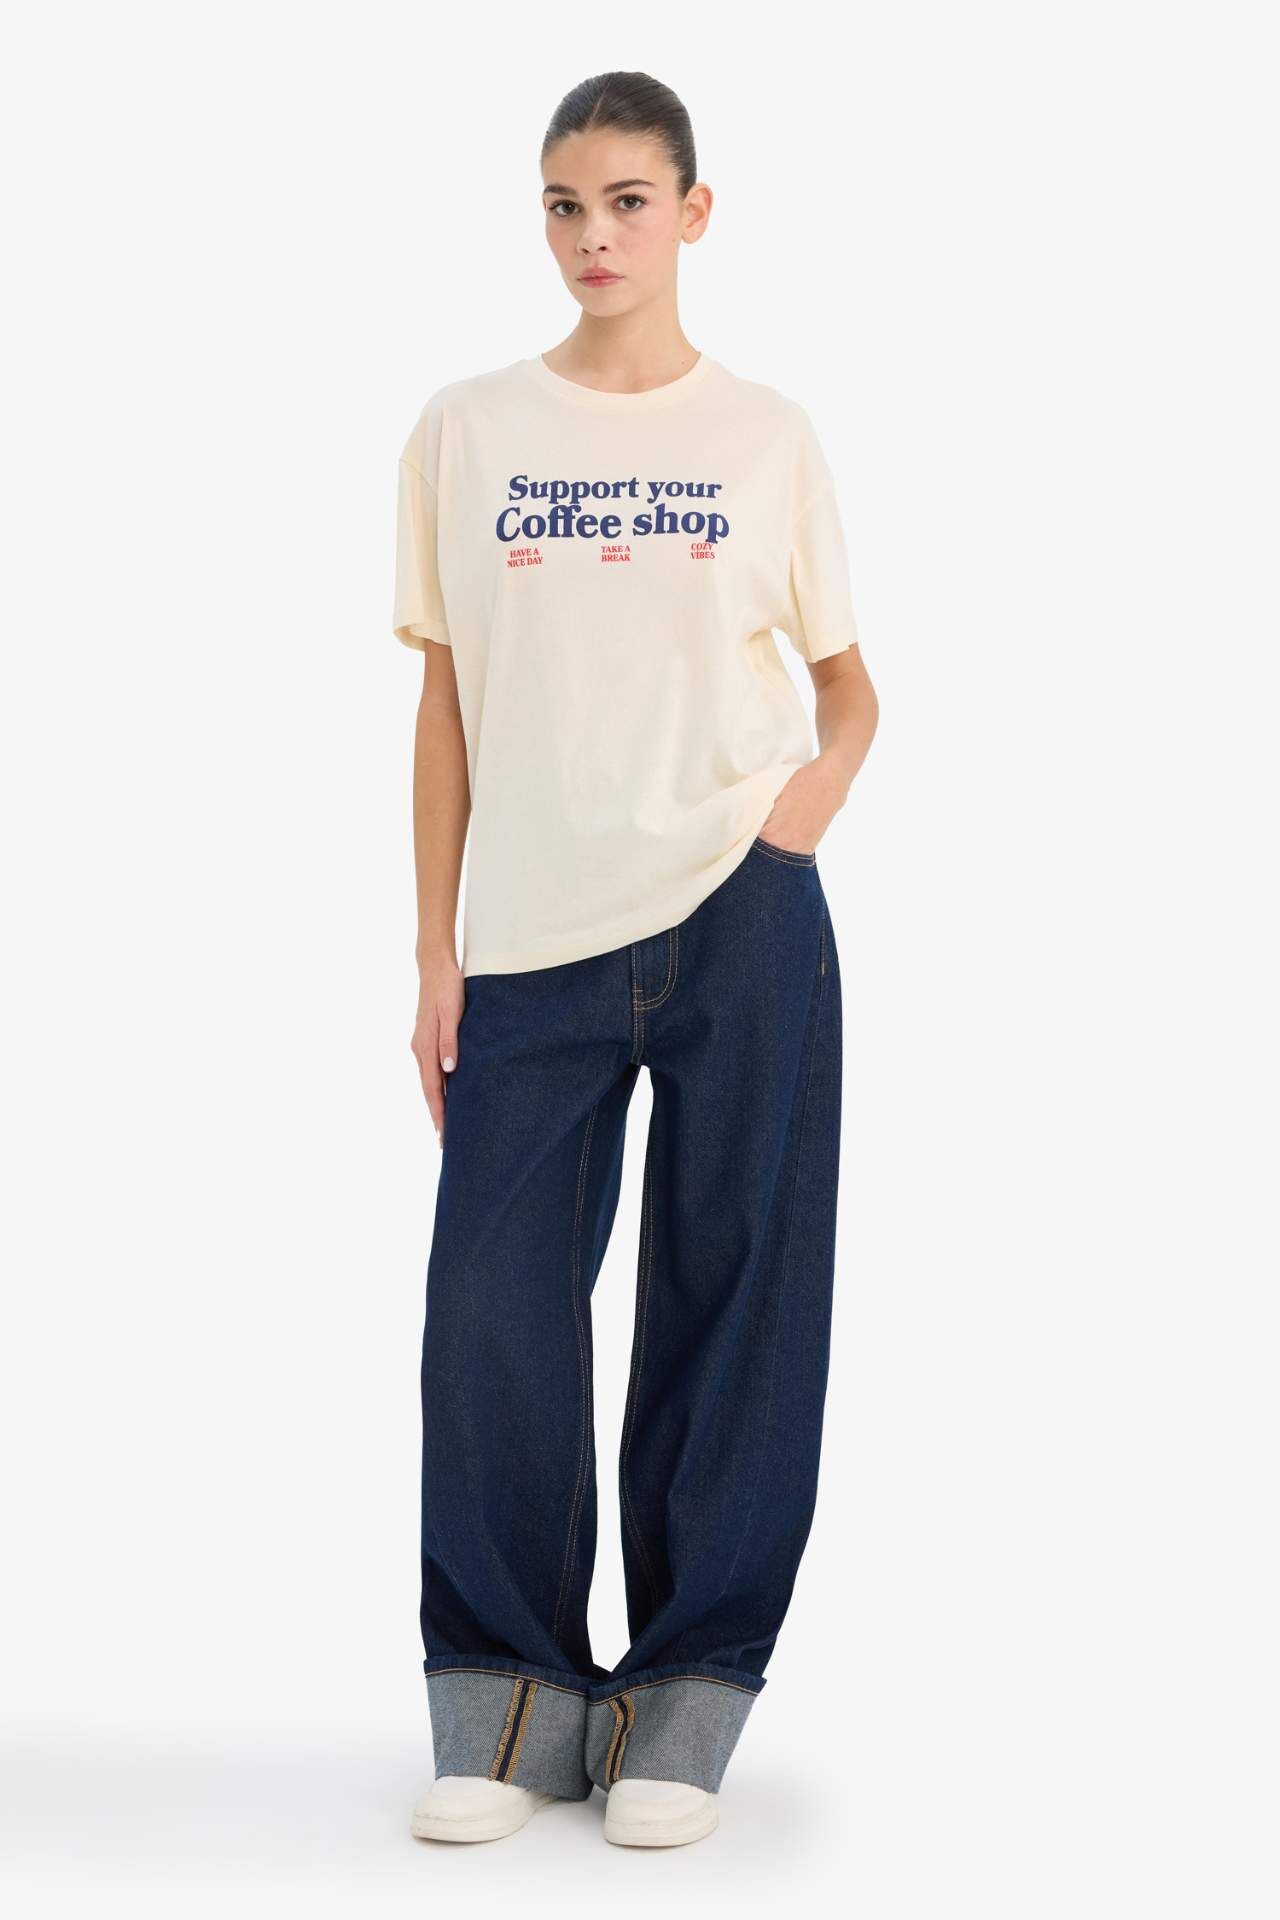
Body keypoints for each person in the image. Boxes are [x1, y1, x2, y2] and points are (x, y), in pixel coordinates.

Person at [392, 69, 879, 1850]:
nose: (593, 235)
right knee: (492, 1309)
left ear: (692, 211)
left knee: (733, 1298)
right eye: (564, 203)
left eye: (626, 201)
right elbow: (446, 707)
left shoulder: (766, 435)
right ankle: (509, 1706)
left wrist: (796, 820)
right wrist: (435, 953)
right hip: (531, 934)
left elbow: (851, 688)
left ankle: (684, 1701)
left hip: (742, 912)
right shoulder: (466, 431)